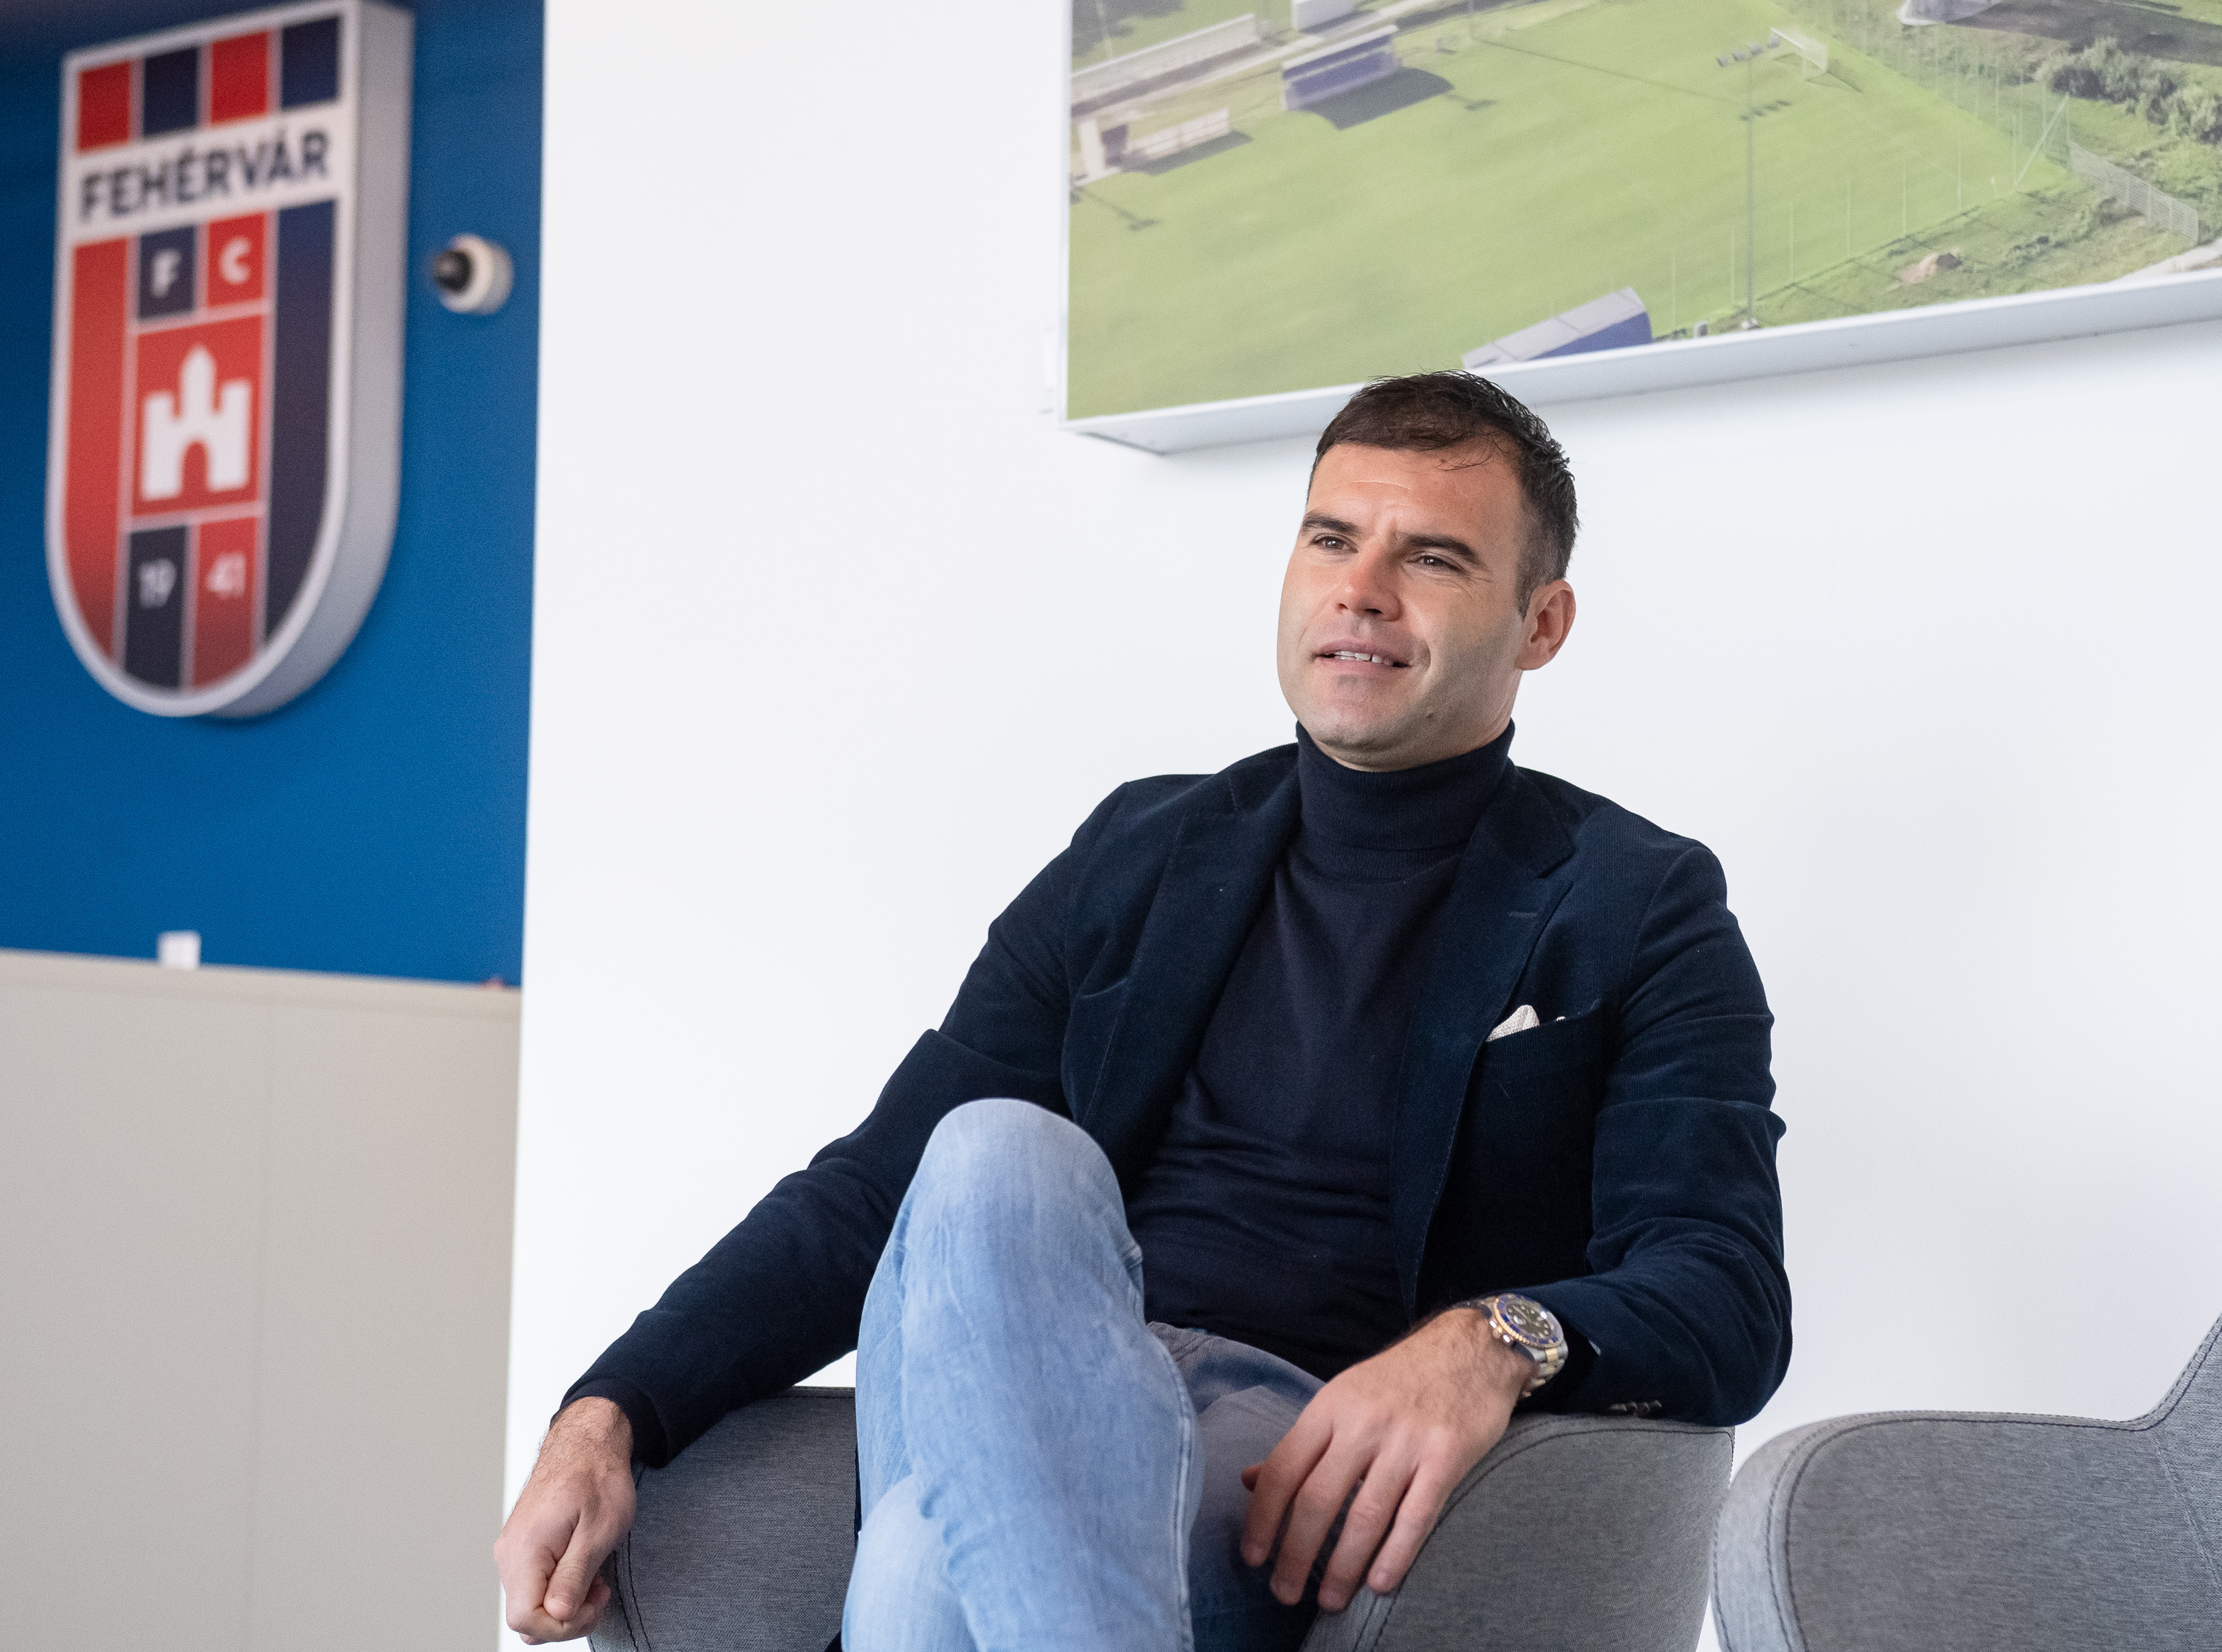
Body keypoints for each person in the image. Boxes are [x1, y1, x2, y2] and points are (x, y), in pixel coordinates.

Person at [495, 371, 1789, 1651]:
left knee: (918, 1559)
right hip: (1048, 1362)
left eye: (1433, 557)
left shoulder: (1637, 902)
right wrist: (611, 1407)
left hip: (1282, 1452)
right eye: (1330, 538)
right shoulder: (1142, 849)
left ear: (1540, 624)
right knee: (991, 1151)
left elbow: (1725, 1287)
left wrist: (1488, 1340)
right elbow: (872, 1193)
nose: (1361, 589)